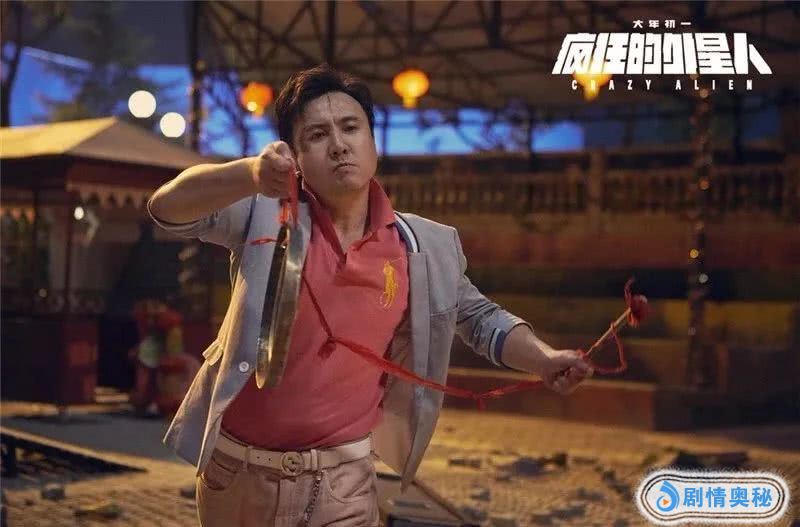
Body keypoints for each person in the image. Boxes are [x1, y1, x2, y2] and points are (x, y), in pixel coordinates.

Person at [147, 64, 592, 527]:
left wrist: (544, 359)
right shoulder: (263, 215)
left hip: (342, 483)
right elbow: (166, 208)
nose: (339, 144)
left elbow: (480, 318)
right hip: (237, 476)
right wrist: (248, 174)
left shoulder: (420, 247)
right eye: (317, 135)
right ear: (296, 157)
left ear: (373, 142)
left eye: (351, 127)